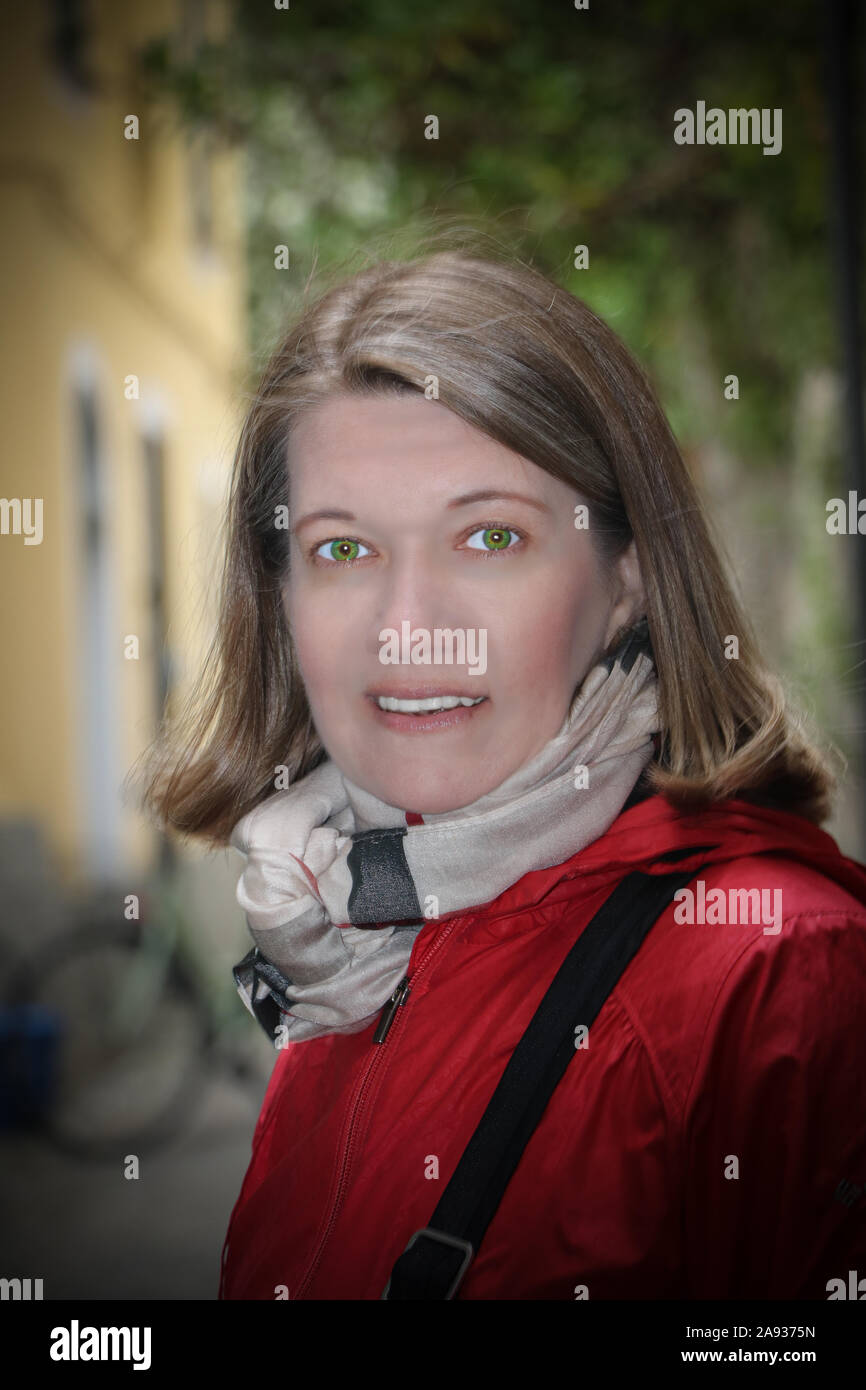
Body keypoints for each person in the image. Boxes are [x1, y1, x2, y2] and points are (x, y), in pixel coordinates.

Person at [141, 248, 866, 1300]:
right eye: (343, 551)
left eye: (489, 536)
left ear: (624, 580)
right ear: (280, 597)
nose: (409, 628)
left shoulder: (783, 981)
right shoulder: (342, 944)